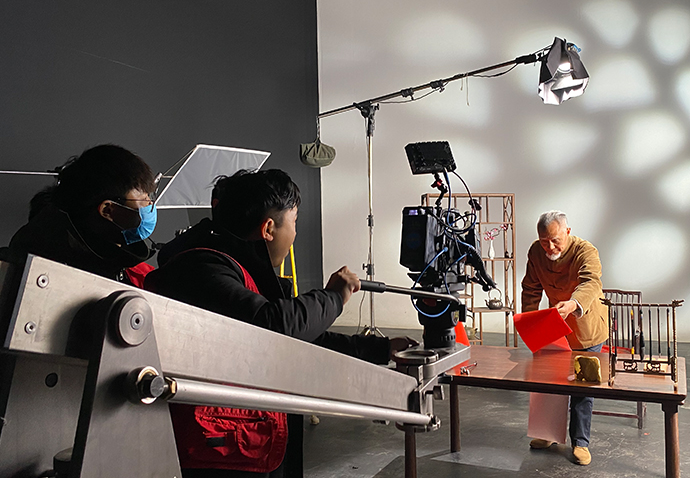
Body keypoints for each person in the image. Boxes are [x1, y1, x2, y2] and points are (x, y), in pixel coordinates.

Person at [144, 169, 415, 478]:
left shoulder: (235, 266)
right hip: (219, 450)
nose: (295, 233)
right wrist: (334, 297)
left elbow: (298, 340)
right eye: (294, 221)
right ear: (269, 228)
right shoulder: (202, 268)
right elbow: (272, 327)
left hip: (243, 437)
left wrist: (381, 349)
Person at [520, 210, 608, 466]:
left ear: (568, 232)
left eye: (555, 240)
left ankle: (580, 442)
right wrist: (530, 321)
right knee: (550, 382)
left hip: (586, 326)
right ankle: (548, 434)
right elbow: (531, 287)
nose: (550, 247)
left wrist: (572, 304)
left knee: (582, 385)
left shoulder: (586, 251)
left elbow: (591, 283)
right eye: (544, 241)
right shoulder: (536, 251)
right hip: (554, 326)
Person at [3, 144, 157, 287]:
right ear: (107, 210)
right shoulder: (36, 265)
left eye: (149, 197)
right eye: (143, 200)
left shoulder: (132, 268)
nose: (150, 204)